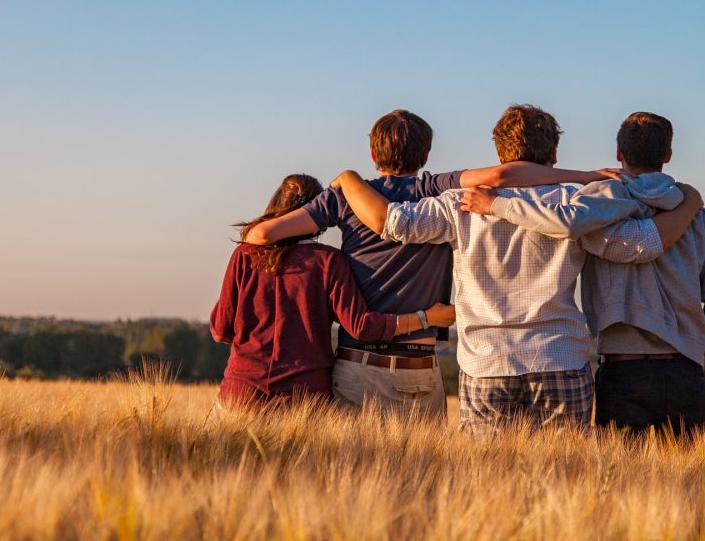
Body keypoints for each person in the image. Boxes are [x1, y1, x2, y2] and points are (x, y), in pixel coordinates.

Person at [332, 105, 703, 432]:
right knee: (566, 482)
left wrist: (347, 179)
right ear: (554, 154)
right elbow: (639, 246)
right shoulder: (574, 204)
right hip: (560, 357)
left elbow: (393, 223)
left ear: (498, 153)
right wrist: (688, 204)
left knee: (485, 483)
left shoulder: (459, 203)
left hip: (486, 361)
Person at [241, 109, 622, 417]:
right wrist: (584, 175)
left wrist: (342, 186)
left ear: (373, 154)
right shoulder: (438, 188)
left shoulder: (349, 197)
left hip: (365, 363)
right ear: (425, 155)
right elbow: (507, 175)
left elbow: (260, 237)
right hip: (427, 368)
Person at [462, 112, 705, 441]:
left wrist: (495, 205)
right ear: (668, 155)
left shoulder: (595, 205)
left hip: (623, 370)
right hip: (687, 370)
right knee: (685, 486)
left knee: (619, 485)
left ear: (619, 154)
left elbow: (565, 222)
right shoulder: (698, 216)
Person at [209, 174, 455, 409]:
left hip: (241, 393)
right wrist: (426, 318)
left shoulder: (245, 255)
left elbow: (221, 330)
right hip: (305, 398)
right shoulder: (328, 261)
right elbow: (361, 326)